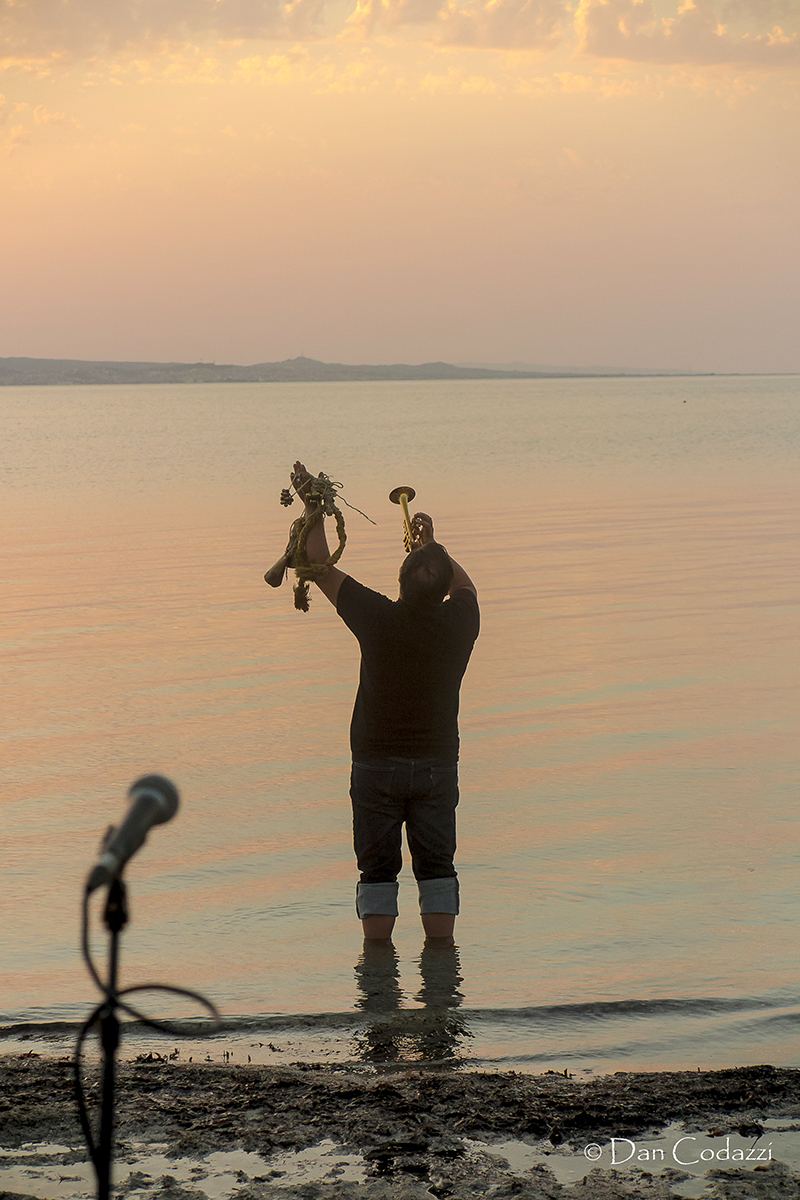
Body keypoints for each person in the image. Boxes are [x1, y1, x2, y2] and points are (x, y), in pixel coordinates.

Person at [290, 462, 479, 942]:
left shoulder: (376, 617)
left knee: (376, 875)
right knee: (438, 869)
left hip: (375, 767)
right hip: (436, 766)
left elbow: (317, 564)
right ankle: (442, 992)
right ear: (441, 590)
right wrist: (435, 548)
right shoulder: (460, 623)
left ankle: (378, 992)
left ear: (400, 578)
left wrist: (314, 503)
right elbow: (465, 587)